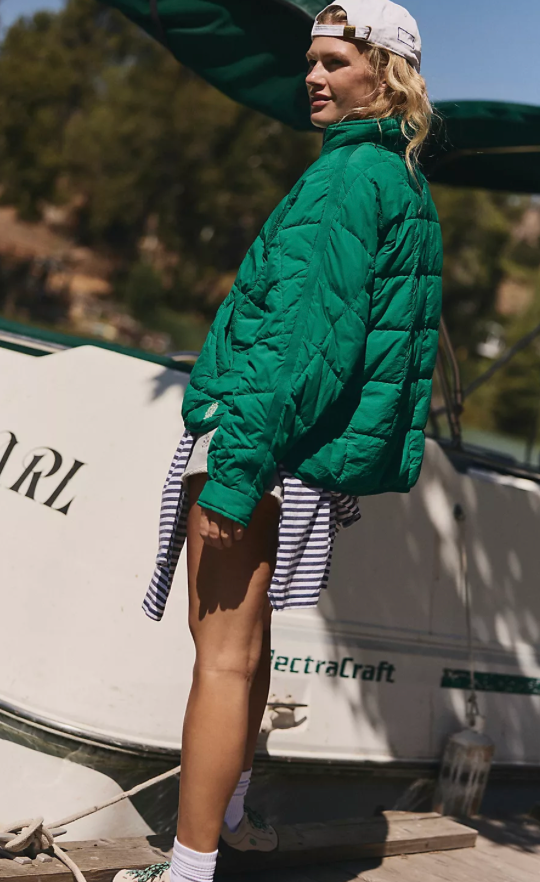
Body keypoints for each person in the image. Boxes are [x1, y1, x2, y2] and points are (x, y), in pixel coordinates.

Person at [115, 1, 442, 880]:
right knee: (247, 652)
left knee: (220, 658)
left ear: (386, 72)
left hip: (260, 447)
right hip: (297, 458)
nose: (314, 76)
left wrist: (236, 468)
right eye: (312, 61)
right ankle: (231, 820)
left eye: (336, 61)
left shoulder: (344, 183)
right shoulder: (398, 183)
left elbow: (304, 347)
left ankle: (187, 868)